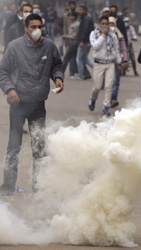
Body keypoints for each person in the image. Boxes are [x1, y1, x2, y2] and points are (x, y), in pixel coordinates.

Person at [0, 14, 64, 195]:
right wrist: (10, 89)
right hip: (18, 104)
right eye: (33, 27)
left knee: (39, 148)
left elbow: (56, 65)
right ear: (26, 28)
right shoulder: (14, 47)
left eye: (39, 27)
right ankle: (8, 186)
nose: (36, 30)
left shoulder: (49, 46)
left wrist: (58, 78)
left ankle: (39, 186)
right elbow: (3, 72)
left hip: (38, 105)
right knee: (14, 146)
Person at [88, 16, 122, 117]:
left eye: (106, 24)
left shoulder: (113, 35)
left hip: (110, 63)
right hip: (99, 63)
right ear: (99, 24)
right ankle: (93, 99)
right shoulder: (94, 34)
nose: (105, 26)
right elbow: (95, 46)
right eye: (102, 23)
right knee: (97, 87)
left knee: (108, 86)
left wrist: (118, 63)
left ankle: (106, 107)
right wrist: (103, 35)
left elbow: (116, 49)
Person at [109, 16, 128, 108]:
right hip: (107, 62)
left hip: (117, 61)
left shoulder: (119, 35)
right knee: (108, 82)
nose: (111, 25)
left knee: (116, 81)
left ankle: (113, 98)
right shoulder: (103, 35)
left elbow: (123, 48)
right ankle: (107, 99)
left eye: (112, 24)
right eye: (109, 24)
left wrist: (125, 60)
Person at [73, 4, 94, 80]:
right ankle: (96, 69)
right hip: (87, 41)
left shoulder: (86, 19)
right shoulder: (85, 18)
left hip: (84, 41)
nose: (79, 11)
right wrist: (78, 34)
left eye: (80, 10)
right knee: (84, 58)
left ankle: (80, 75)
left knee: (79, 58)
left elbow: (85, 30)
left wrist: (82, 40)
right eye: (78, 10)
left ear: (85, 11)